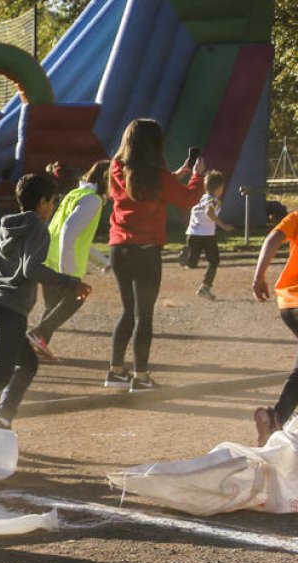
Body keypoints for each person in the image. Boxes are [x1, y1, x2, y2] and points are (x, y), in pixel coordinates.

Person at [0, 174, 92, 428]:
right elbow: (31, 269)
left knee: (26, 364)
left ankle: (3, 417)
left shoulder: (0, 231)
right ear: (42, 202)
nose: (52, 208)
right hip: (8, 309)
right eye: (52, 202)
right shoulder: (38, 227)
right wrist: (72, 283)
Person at [104, 119, 205, 391]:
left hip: (118, 248)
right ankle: (141, 376)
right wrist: (197, 176)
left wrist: (180, 172)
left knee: (128, 311)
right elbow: (186, 198)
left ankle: (115, 371)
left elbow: (144, 185)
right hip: (146, 252)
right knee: (143, 315)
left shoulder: (117, 167)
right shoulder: (156, 176)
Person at [27, 160, 111, 361]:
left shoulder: (77, 194)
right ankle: (37, 335)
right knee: (75, 298)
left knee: (52, 306)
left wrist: (103, 262)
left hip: (48, 257)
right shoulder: (93, 200)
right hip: (62, 263)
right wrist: (68, 275)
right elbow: (69, 232)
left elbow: (77, 236)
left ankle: (34, 345)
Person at [251, 210, 298, 444]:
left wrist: (258, 277)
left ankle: (276, 419)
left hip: (289, 305)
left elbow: (272, 239)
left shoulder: (296, 217)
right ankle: (276, 418)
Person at [181, 170, 234, 301]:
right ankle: (205, 287)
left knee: (192, 264)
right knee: (214, 261)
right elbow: (209, 212)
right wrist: (224, 226)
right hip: (206, 236)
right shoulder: (215, 200)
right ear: (219, 188)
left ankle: (186, 255)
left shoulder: (203, 198)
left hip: (193, 234)